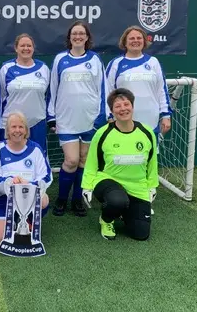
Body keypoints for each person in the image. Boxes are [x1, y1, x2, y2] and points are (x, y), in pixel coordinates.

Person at [104, 25, 172, 212]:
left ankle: (144, 200)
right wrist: (110, 116)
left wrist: (165, 114)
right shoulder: (116, 64)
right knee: (123, 158)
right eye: (131, 38)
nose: (135, 41)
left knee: (147, 159)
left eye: (139, 38)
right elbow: (107, 92)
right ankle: (120, 198)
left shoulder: (154, 63)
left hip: (149, 120)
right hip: (122, 122)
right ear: (124, 42)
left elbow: (161, 91)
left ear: (144, 41)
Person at [81, 88, 158, 241]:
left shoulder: (147, 132)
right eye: (118, 106)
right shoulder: (103, 133)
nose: (123, 109)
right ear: (112, 111)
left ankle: (125, 211)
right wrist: (87, 185)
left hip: (137, 186)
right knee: (117, 200)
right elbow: (91, 162)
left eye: (126, 104)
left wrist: (152, 185)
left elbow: (152, 162)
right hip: (108, 181)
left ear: (132, 106)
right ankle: (107, 220)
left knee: (141, 234)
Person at [47, 21, 106, 217]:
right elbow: (53, 89)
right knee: (71, 160)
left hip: (90, 119)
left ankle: (77, 199)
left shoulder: (95, 59)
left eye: (82, 34)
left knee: (83, 161)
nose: (78, 36)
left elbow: (102, 89)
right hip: (66, 119)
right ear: (69, 37)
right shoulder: (60, 59)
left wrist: (101, 116)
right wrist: (52, 117)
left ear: (87, 37)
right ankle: (62, 198)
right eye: (74, 34)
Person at [0, 111, 52, 247]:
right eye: (13, 127)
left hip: (30, 198)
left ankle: (27, 220)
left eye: (21, 127)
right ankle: (15, 224)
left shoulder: (36, 149)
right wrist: (11, 182)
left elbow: (46, 177)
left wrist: (27, 185)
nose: (17, 130)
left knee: (44, 199)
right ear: (7, 130)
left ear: (26, 130)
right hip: (4, 200)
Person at [0, 33, 50, 153]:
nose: (26, 48)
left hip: (37, 123)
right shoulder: (6, 68)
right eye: (22, 46)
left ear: (33, 48)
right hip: (11, 125)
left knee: (37, 160)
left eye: (29, 46)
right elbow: (0, 97)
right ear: (16, 48)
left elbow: (48, 96)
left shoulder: (43, 68)